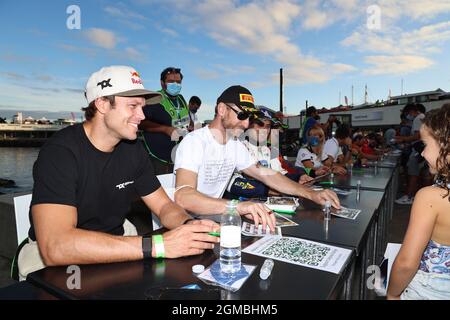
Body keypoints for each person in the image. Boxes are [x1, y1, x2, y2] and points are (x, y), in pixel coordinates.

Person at [17, 66, 219, 281]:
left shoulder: (132, 149)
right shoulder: (60, 153)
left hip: (119, 241)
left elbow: (164, 206)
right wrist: (159, 245)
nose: (141, 116)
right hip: (58, 261)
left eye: (142, 107)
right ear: (102, 104)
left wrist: (190, 226)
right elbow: (56, 246)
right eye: (133, 106)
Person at [173, 85, 340, 232]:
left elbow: (266, 174)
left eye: (249, 118)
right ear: (222, 109)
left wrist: (311, 194)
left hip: (215, 219)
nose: (246, 124)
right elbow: (184, 197)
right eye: (242, 115)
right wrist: (236, 207)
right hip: (186, 224)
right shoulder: (194, 142)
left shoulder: (234, 144)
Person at [387, 103, 450, 300]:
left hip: (430, 289)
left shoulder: (431, 197)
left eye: (425, 145)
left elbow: (406, 263)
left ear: (446, 148)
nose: (422, 153)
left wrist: (392, 294)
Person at [226, 106, 312, 199]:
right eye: (259, 124)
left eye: (267, 126)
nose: (264, 130)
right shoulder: (237, 147)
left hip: (268, 204)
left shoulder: (270, 149)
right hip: (241, 205)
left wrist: (299, 177)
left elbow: (280, 174)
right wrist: (266, 190)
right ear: (248, 125)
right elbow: (232, 183)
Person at [139, 67, 189, 174]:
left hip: (179, 157)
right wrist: (164, 129)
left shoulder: (181, 99)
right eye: (171, 81)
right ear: (162, 83)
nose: (175, 84)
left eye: (178, 82)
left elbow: (187, 118)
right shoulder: (154, 99)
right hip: (158, 159)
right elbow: (140, 123)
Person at [395, 103, 426, 205]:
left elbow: (417, 136)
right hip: (420, 150)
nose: (408, 116)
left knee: (413, 173)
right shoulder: (422, 117)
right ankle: (413, 196)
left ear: (411, 111)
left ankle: (409, 197)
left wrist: (403, 139)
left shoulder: (418, 118)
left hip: (417, 150)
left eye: (407, 114)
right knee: (418, 174)